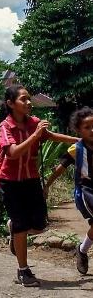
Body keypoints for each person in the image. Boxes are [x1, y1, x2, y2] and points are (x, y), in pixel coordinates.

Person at [0, 84, 78, 287]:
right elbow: (13, 153)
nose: (28, 102)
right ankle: (23, 270)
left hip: (31, 179)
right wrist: (35, 135)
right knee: (21, 225)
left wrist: (81, 140)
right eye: (23, 99)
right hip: (11, 182)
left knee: (40, 223)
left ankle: (14, 230)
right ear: (10, 104)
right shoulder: (5, 127)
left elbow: (52, 136)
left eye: (28, 99)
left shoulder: (33, 122)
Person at [43, 106, 93, 275]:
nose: (92, 130)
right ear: (78, 130)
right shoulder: (76, 149)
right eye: (87, 127)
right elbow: (59, 169)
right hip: (86, 191)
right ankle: (82, 250)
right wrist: (47, 184)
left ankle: (82, 250)